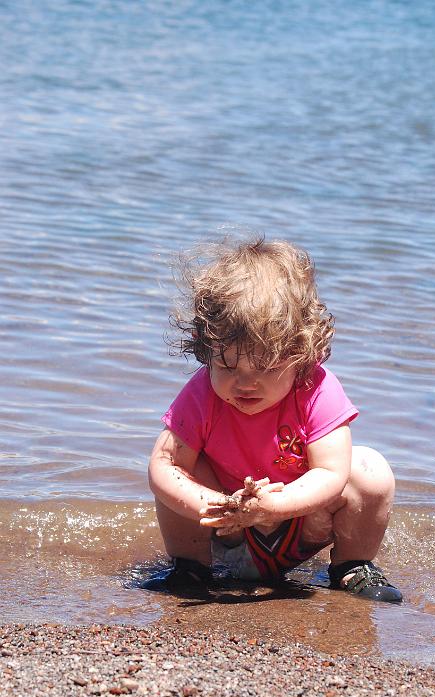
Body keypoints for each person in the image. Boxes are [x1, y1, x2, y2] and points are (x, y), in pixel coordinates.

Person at [145, 237, 402, 603]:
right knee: (179, 467)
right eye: (227, 365)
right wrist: (214, 505)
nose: (245, 383)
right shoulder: (202, 393)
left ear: (301, 354)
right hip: (226, 530)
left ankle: (351, 565)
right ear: (206, 349)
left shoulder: (315, 389)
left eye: (266, 367)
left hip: (299, 528)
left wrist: (272, 508)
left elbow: (331, 474)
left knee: (369, 470)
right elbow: (162, 466)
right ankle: (191, 568)